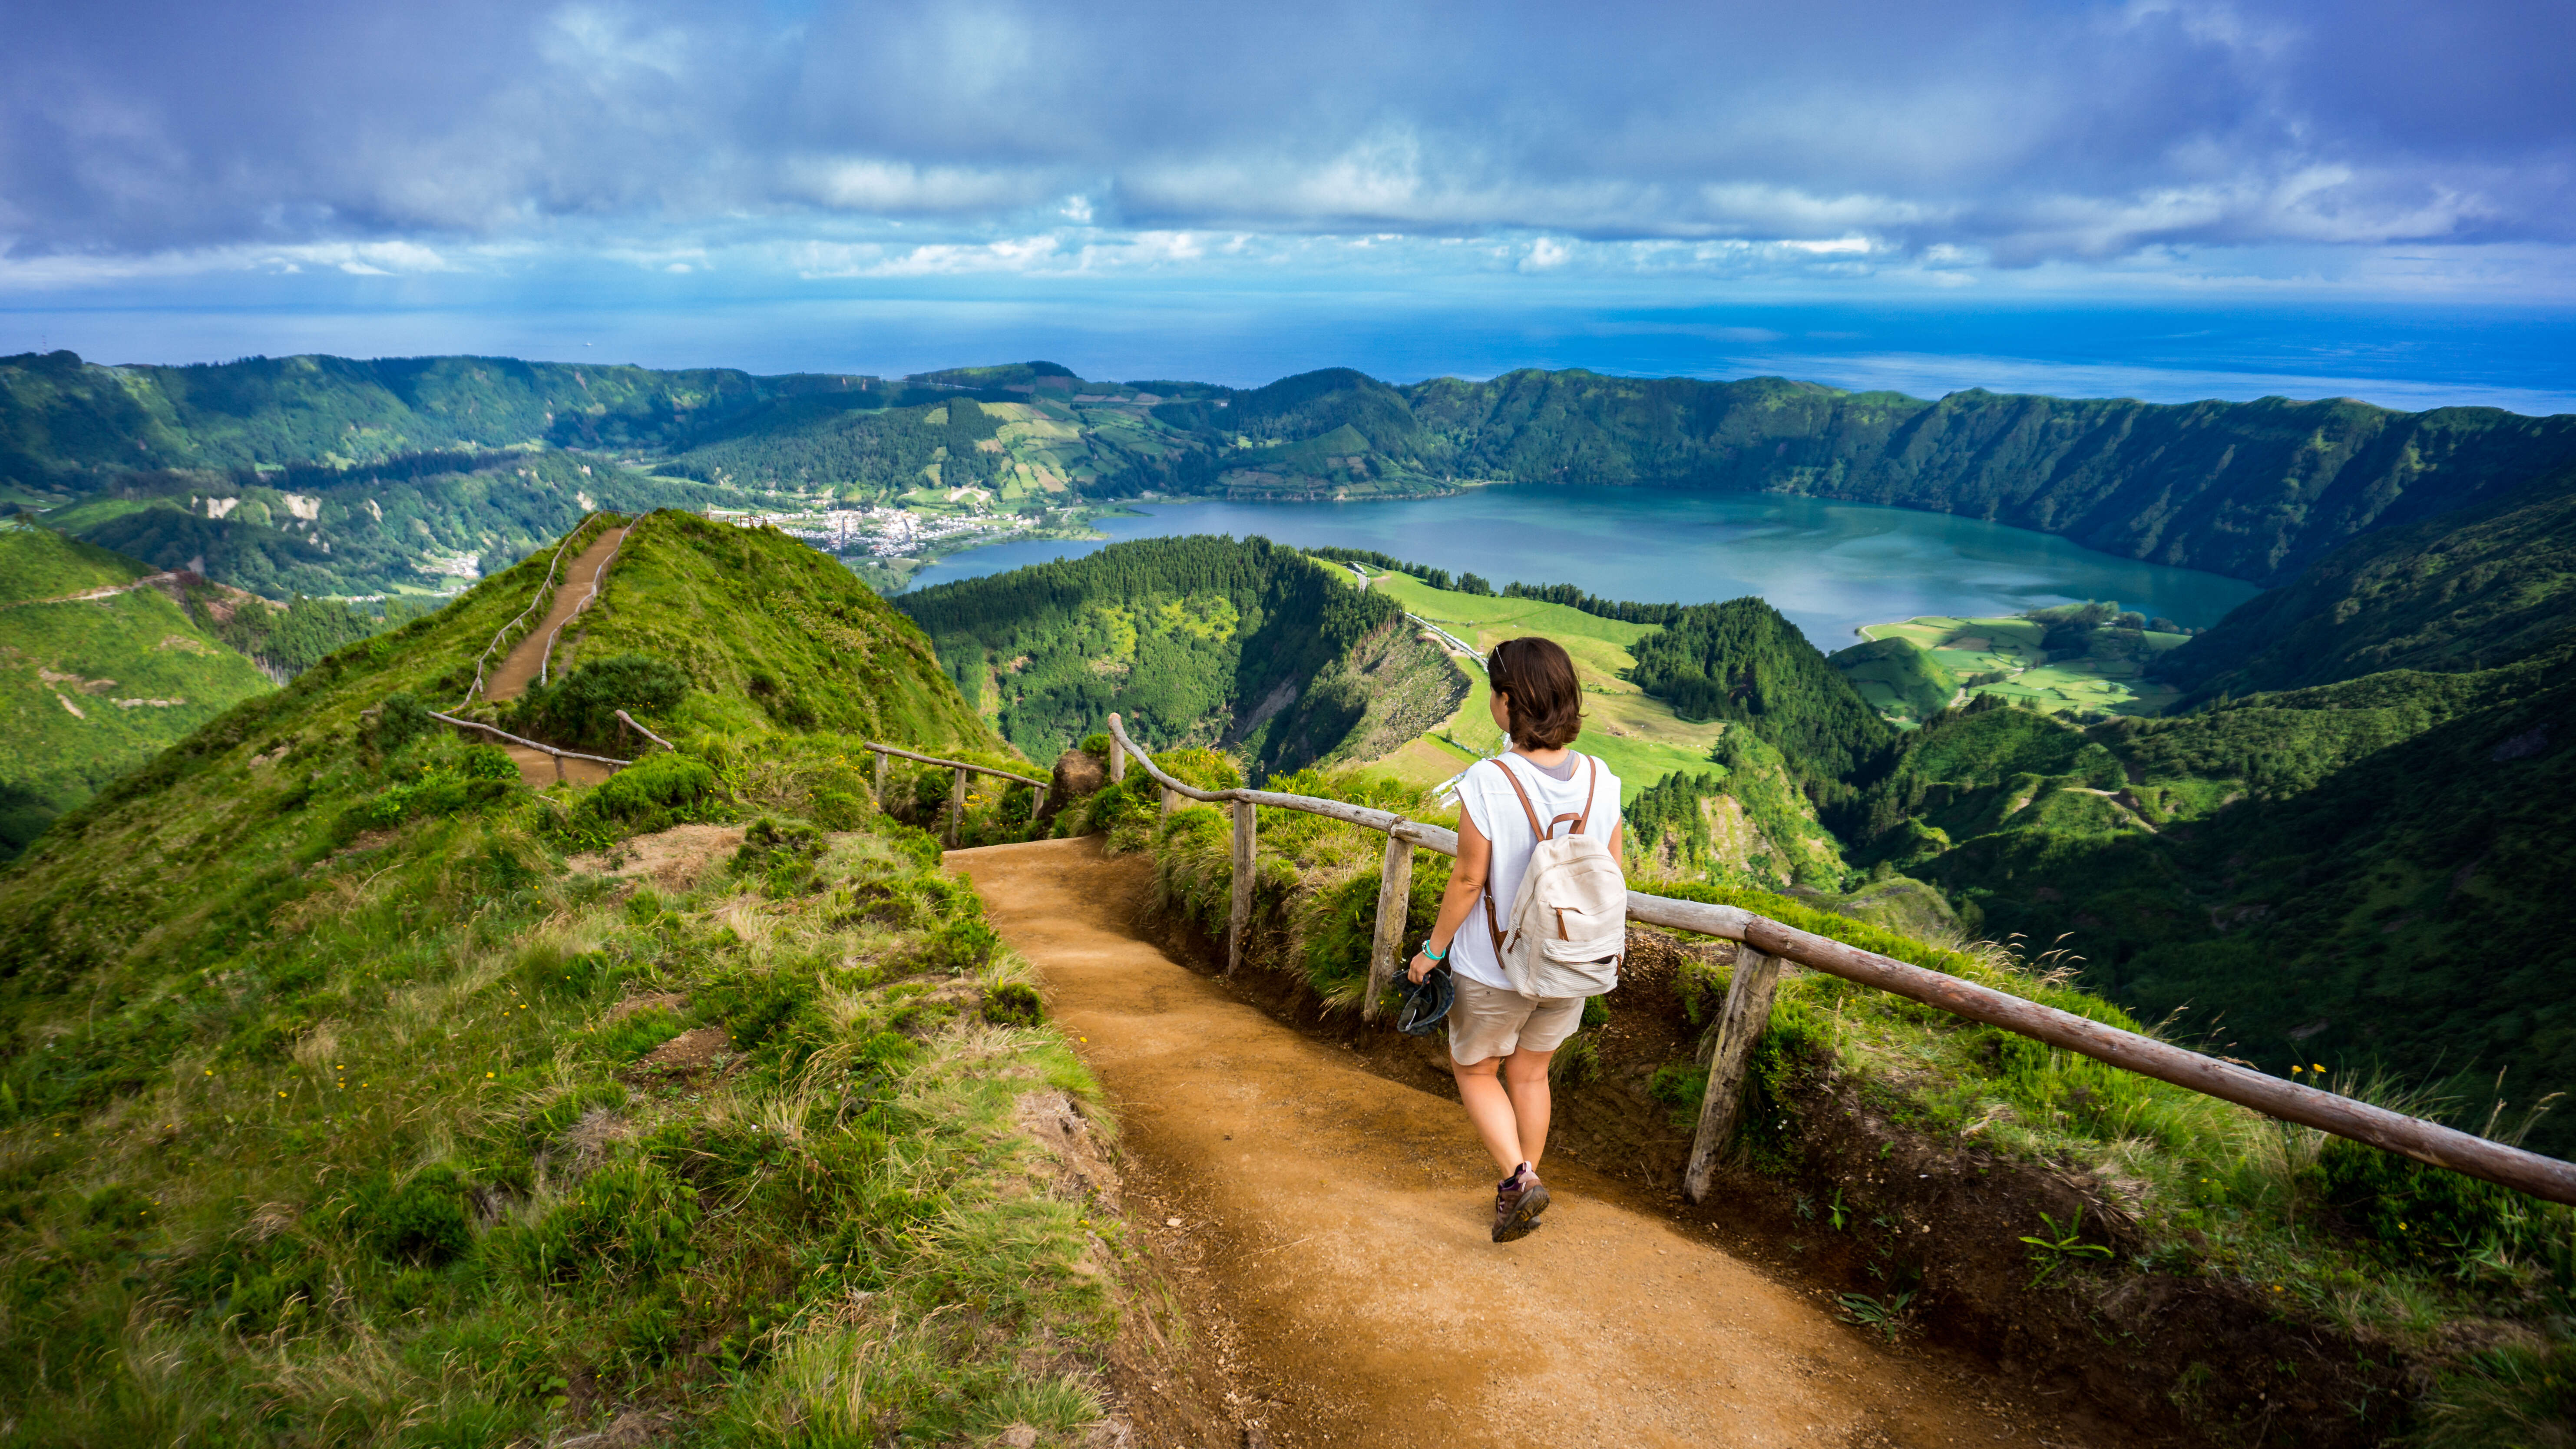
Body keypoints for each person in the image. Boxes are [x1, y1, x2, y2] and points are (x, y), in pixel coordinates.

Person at [1407, 635, 1621, 1242]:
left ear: (1509, 702)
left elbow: (1470, 879)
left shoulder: (1488, 781)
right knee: (1531, 1074)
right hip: (1572, 962)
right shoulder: (1603, 781)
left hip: (1494, 966)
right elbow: (1612, 878)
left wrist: (1433, 951)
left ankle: (1519, 1182)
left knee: (1476, 1070)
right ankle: (1525, 1182)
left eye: (1492, 693)